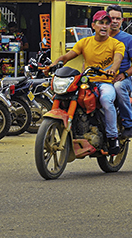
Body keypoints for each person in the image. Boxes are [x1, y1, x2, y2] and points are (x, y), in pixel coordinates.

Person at [49, 10, 125, 154]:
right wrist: (55, 63)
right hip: (86, 81)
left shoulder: (117, 44)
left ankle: (112, 136)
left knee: (106, 100)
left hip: (104, 83)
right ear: (93, 26)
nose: (104, 26)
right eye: (100, 23)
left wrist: (112, 69)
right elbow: (68, 56)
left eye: (107, 23)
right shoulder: (84, 42)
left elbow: (118, 59)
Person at [106, 5, 132, 139]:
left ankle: (129, 124)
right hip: (101, 78)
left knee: (119, 87)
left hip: (122, 79)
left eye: (118, 18)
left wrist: (124, 75)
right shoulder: (96, 37)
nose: (115, 21)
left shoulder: (129, 39)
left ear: (122, 21)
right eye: (112, 18)